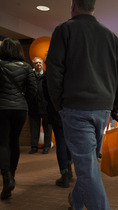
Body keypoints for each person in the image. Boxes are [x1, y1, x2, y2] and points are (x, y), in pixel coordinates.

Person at [46, 0, 118, 209]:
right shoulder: (111, 36)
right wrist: (116, 104)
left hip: (75, 108)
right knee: (88, 164)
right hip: (102, 108)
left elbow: (53, 72)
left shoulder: (64, 30)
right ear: (93, 7)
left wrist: (59, 106)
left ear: (73, 6)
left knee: (87, 167)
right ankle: (76, 201)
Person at [0, 38, 37, 200]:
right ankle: (12, 176)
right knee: (14, 142)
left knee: (2, 143)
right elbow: (32, 89)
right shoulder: (26, 67)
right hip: (20, 109)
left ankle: (7, 177)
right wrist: (21, 102)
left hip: (1, 108)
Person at [42, 76, 73, 188]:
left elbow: (45, 92)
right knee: (69, 140)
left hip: (55, 109)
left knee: (60, 141)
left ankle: (64, 175)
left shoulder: (50, 73)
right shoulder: (71, 67)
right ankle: (69, 170)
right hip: (71, 109)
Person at [28, 57, 52, 154]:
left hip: (46, 106)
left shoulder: (47, 75)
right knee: (34, 128)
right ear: (33, 65)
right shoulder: (30, 76)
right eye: (36, 63)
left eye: (40, 63)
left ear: (43, 64)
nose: (38, 64)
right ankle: (34, 147)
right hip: (33, 106)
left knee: (48, 128)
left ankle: (46, 146)